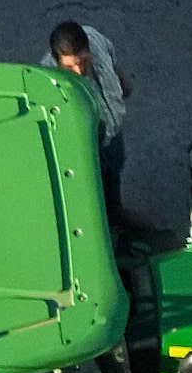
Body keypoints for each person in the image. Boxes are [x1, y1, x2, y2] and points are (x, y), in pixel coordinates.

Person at [44, 19, 145, 230]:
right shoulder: (49, 81)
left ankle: (116, 214)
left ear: (88, 47)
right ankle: (100, 229)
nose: (79, 71)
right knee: (91, 188)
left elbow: (111, 54)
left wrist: (121, 80)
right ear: (57, 60)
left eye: (83, 61)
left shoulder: (94, 39)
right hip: (87, 147)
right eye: (70, 66)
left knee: (114, 172)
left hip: (112, 133)